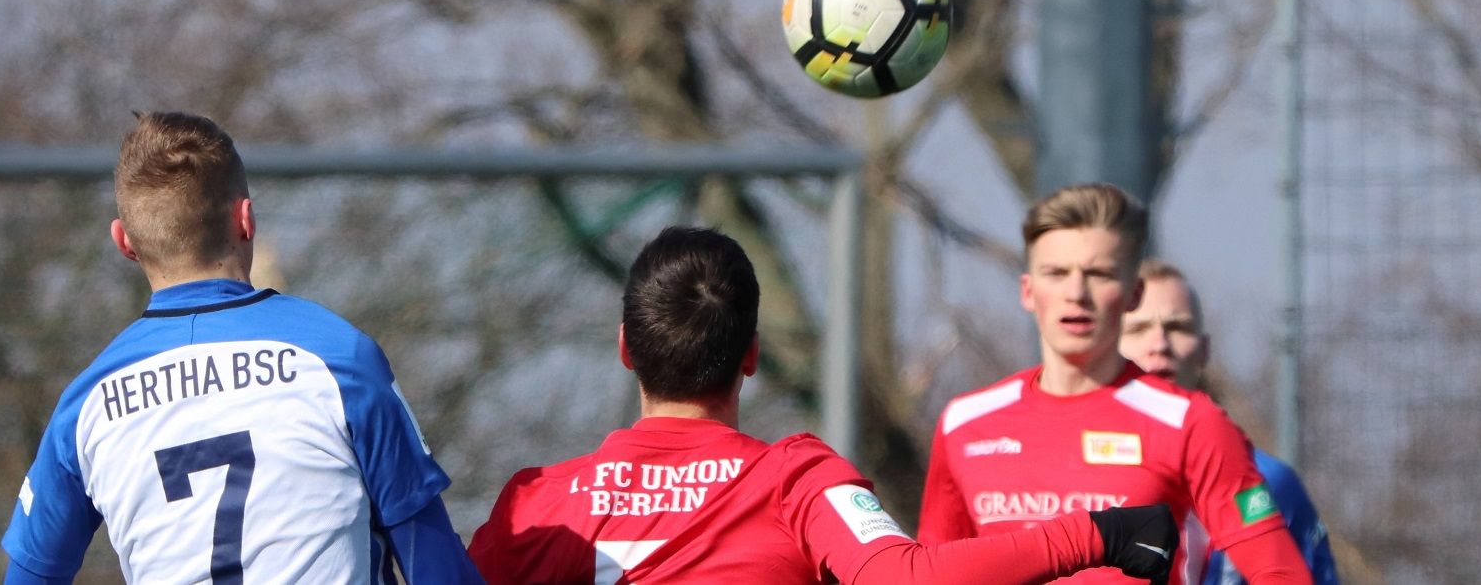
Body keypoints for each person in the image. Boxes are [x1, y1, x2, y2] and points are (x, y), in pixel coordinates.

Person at [467, 226, 1178, 585]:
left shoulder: (533, 504)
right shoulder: (797, 482)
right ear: (751, 354)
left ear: (625, 347)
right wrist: (1097, 534)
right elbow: (906, 579)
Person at [0, 112, 481, 584]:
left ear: (124, 242)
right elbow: (433, 564)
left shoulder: (85, 407)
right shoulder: (339, 360)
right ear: (246, 219)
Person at [918, 183, 1311, 584]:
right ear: (1028, 291)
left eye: (1099, 273)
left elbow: (1281, 573)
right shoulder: (963, 423)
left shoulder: (1191, 422)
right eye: (1056, 273)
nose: (1076, 293)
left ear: (1133, 293)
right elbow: (929, 574)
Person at [1120, 260, 1339, 584]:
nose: (1160, 345)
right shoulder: (1070, 473)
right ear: (1111, 349)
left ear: (1204, 350)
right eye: (1138, 329)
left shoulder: (1270, 482)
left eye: (1177, 328)